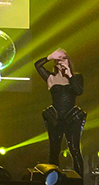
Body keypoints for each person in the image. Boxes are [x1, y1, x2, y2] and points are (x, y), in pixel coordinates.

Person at [35, 48, 85, 176]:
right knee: (54, 150)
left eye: (64, 59)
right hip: (55, 118)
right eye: (58, 60)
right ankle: (53, 179)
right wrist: (50, 56)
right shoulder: (51, 78)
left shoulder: (76, 77)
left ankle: (79, 180)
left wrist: (70, 75)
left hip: (72, 117)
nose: (61, 62)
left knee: (74, 149)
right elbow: (37, 65)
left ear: (68, 61)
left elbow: (79, 91)